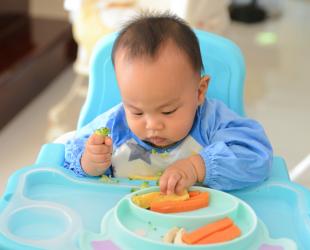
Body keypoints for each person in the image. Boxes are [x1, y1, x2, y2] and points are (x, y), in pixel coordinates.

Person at [64, 12, 273, 195]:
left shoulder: (213, 121)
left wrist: (197, 167)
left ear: (199, 92)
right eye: (136, 112)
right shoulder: (114, 127)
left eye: (168, 111)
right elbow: (71, 151)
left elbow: (257, 155)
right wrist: (90, 162)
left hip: (198, 227)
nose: (152, 125)